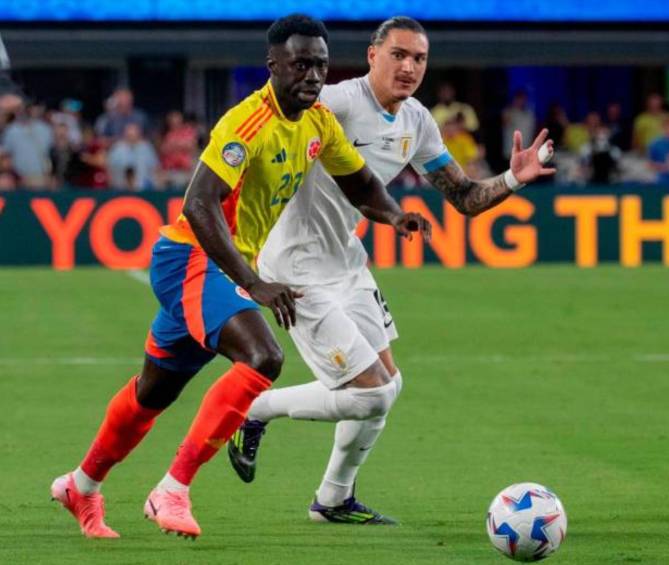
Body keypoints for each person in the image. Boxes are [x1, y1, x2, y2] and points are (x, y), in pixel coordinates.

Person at [50, 14, 431, 540]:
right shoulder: (246, 123)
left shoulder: (318, 123)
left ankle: (81, 485)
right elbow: (199, 203)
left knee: (151, 395)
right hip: (189, 257)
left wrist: (393, 214)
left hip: (216, 267)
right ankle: (171, 491)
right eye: (300, 64)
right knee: (263, 356)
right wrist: (252, 282)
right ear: (272, 65)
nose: (312, 75)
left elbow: (361, 182)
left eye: (320, 64)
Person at [227, 16, 555, 525]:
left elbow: (464, 198)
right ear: (373, 55)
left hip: (347, 263)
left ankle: (333, 499)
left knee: (389, 388)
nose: (409, 67)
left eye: (419, 58)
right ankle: (253, 410)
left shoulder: (417, 120)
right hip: (294, 268)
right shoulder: (333, 103)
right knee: (370, 392)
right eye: (398, 55)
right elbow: (258, 135)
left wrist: (515, 177)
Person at [107, 123, 160, 190]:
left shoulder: (146, 147)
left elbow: (155, 168)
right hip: (120, 189)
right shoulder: (117, 148)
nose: (132, 138)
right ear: (125, 135)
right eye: (129, 135)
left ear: (139, 135)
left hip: (144, 189)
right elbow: (109, 168)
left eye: (134, 135)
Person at [502, 90, 535, 164]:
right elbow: (505, 122)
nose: (521, 101)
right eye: (518, 99)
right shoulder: (508, 112)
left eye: (523, 99)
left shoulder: (529, 114)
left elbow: (532, 130)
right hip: (511, 152)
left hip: (525, 150)